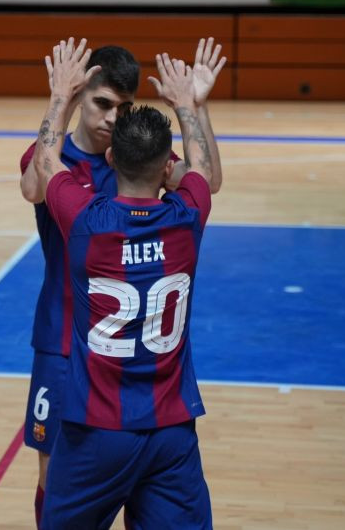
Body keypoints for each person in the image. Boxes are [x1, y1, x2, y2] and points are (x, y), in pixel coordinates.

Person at [18, 38, 223, 527]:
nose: (113, 117)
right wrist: (190, 105)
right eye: (102, 104)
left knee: (85, 480)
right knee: (51, 472)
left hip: (106, 370)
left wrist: (57, 97)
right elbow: (201, 181)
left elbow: (206, 176)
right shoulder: (128, 166)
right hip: (63, 343)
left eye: (122, 107)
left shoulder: (114, 163)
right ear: (83, 99)